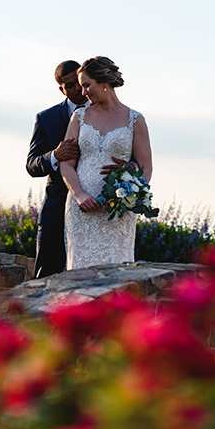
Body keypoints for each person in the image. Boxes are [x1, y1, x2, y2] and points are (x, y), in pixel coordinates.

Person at [60, 56, 153, 271]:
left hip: (117, 211)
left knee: (116, 272)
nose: (83, 93)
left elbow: (146, 168)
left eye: (86, 85)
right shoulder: (79, 117)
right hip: (82, 209)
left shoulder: (135, 120)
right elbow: (66, 164)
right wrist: (79, 194)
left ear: (104, 82)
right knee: (80, 272)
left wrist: (130, 191)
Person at [26, 60, 89, 278]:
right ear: (61, 89)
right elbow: (32, 164)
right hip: (56, 209)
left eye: (80, 84)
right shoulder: (46, 118)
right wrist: (55, 155)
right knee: (46, 277)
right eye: (70, 86)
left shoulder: (108, 115)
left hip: (96, 207)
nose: (78, 91)